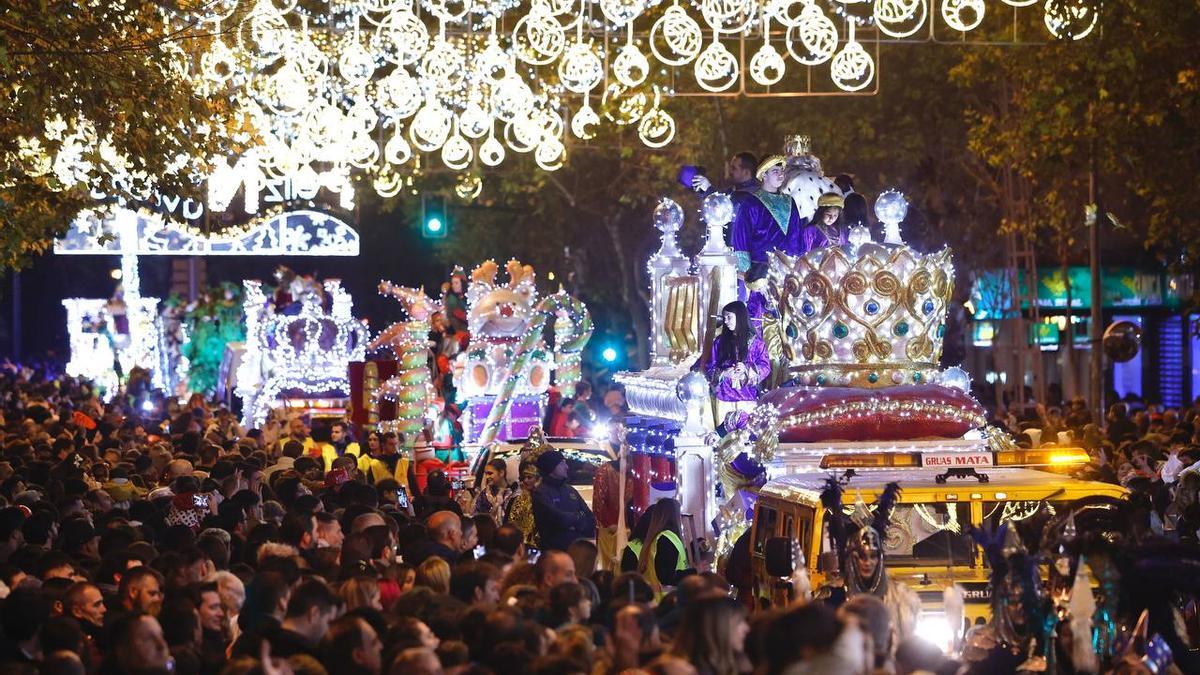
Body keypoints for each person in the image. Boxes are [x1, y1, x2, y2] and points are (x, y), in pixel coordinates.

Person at [730, 155, 807, 276]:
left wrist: (802, 263)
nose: (781, 175)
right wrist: (744, 269)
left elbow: (798, 234)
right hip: (760, 270)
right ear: (764, 175)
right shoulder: (751, 203)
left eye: (782, 171)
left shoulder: (790, 201)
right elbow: (742, 236)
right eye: (775, 172)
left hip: (790, 271)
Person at [705, 301, 771, 404]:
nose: (725, 321)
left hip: (749, 397)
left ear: (740, 317)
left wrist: (746, 368)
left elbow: (765, 367)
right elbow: (709, 367)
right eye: (724, 318)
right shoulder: (719, 342)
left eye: (729, 317)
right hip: (723, 397)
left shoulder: (756, 343)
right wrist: (723, 373)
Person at [531, 449, 595, 551]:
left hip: (578, 549)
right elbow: (559, 518)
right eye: (562, 464)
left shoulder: (570, 490)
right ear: (551, 468)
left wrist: (576, 523)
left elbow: (589, 516)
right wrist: (578, 517)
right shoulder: (541, 493)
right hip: (555, 553)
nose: (567, 467)